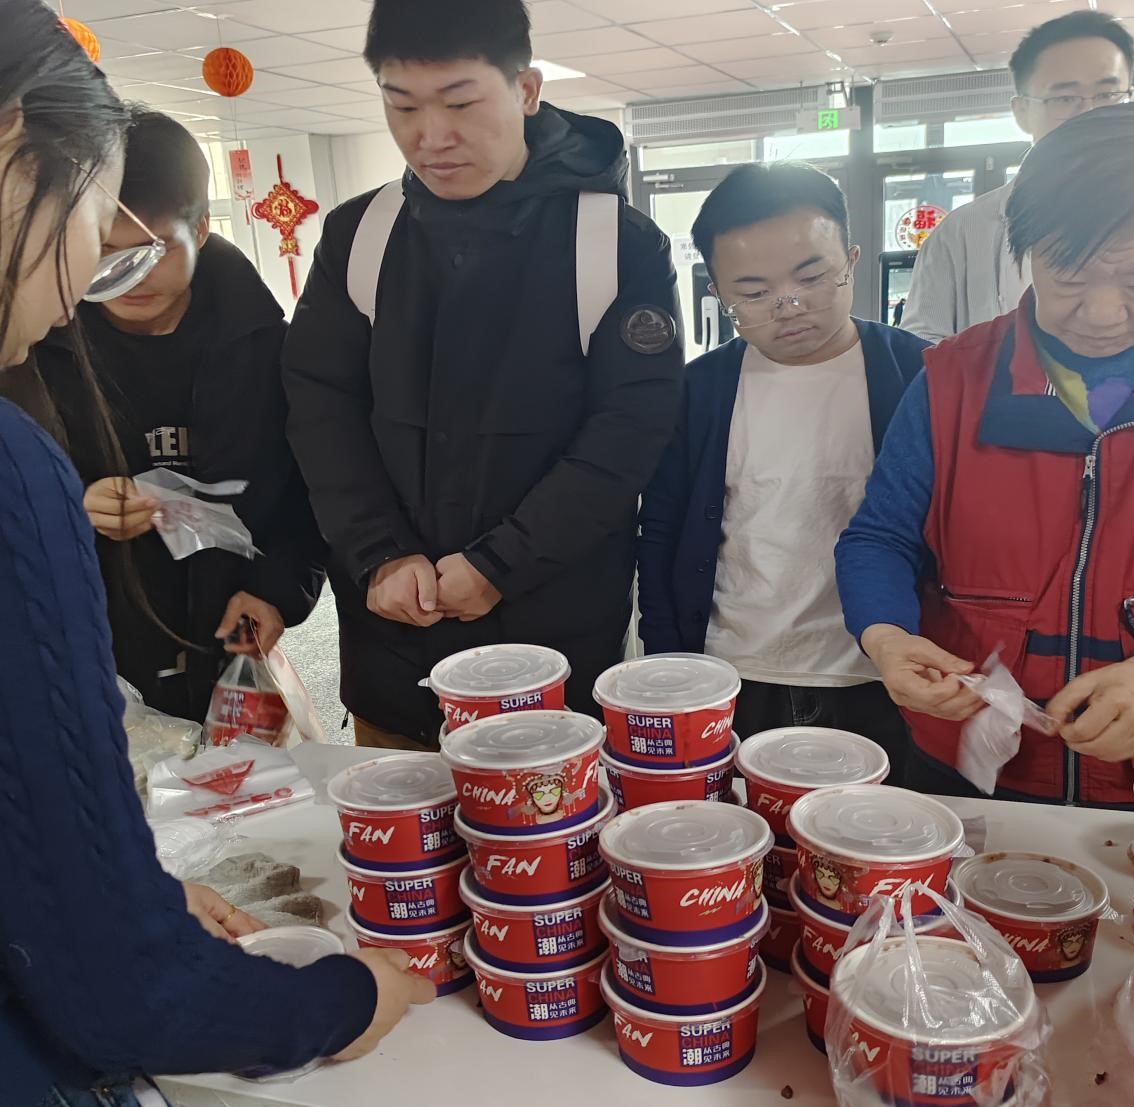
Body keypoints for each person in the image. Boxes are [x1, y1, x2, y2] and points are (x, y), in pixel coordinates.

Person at [0, 6, 429, 1104]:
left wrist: (118, 887)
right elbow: (124, 988)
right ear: (17, 149)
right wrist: (341, 1002)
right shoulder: (19, 457)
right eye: (94, 232)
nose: (87, 284)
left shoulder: (267, 345)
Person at [283, 0, 684, 751]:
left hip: (555, 637)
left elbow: (630, 430)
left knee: (551, 814)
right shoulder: (359, 235)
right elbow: (320, 408)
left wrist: (500, 563)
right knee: (399, 819)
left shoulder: (614, 243)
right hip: (393, 633)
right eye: (402, 106)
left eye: (460, 103)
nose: (431, 137)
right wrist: (378, 552)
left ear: (526, 90)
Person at [836, 103, 1134, 806]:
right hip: (977, 764)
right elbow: (880, 536)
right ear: (1025, 244)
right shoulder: (953, 379)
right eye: (1067, 273)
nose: (1100, 312)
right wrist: (885, 635)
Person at [0, 108, 325, 723]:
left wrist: (278, 592)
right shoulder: (34, 347)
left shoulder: (268, 349)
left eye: (153, 250)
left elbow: (309, 493)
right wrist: (74, 503)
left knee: (236, 777)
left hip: (226, 626)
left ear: (200, 228)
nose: (130, 277)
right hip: (86, 637)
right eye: (104, 252)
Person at [637, 164, 926, 773]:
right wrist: (669, 664)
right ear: (718, 292)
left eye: (812, 277)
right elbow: (661, 530)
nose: (789, 306)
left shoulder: (920, 376)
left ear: (852, 260)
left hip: (880, 674)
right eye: (753, 292)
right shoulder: (697, 392)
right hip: (735, 671)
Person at [900, 11, 1134, 344]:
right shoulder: (960, 233)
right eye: (1064, 98)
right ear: (1022, 111)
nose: (1089, 114)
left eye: (1108, 95)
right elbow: (923, 349)